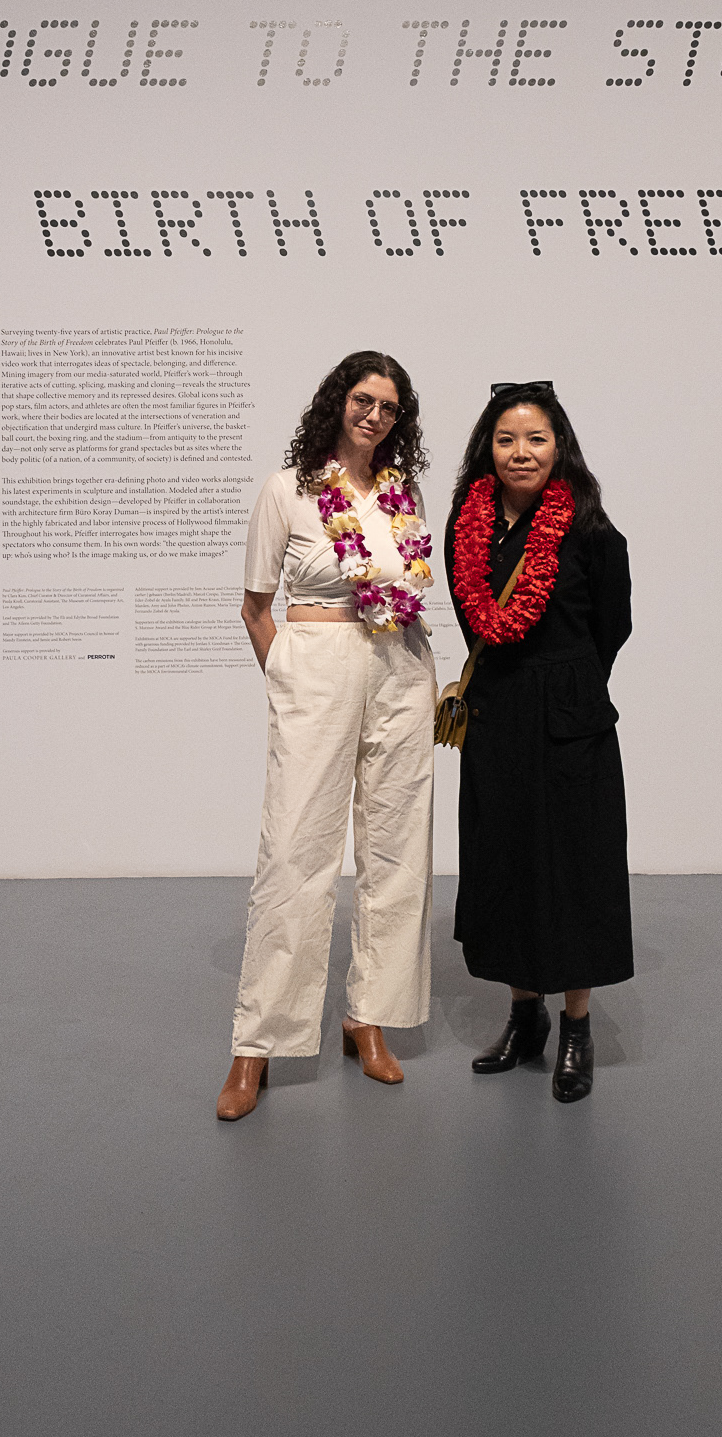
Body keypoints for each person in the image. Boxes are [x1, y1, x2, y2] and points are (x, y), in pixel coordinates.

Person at [217, 351, 438, 1121]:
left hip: (400, 665)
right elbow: (254, 607)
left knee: (395, 844)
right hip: (317, 661)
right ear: (336, 402)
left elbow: (409, 586)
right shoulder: (289, 489)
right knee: (295, 848)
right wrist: (286, 675)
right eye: (363, 400)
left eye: (389, 407)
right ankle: (257, 1042)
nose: (374, 415)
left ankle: (366, 1017)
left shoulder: (403, 494)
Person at [443, 382, 632, 1104]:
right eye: (505, 439)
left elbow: (612, 625)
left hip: (569, 716)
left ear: (560, 447)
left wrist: (569, 680)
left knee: (575, 866)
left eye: (535, 439)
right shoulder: (468, 522)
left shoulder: (590, 528)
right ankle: (524, 1017)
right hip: (497, 714)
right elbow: (472, 615)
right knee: (507, 861)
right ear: (486, 449)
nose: (520, 452)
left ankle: (576, 1025)